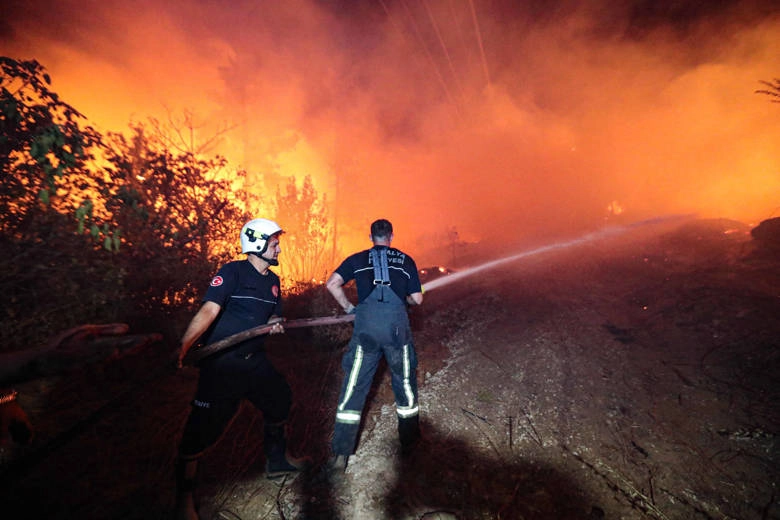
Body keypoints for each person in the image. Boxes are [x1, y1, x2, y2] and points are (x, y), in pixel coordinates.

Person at [174, 218, 303, 520]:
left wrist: (275, 324)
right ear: (257, 244)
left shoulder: (273, 281)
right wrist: (183, 346)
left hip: (254, 361)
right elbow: (209, 309)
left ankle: (277, 461)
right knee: (200, 432)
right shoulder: (232, 272)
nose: (279, 249)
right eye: (274, 244)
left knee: (280, 397)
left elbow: (273, 316)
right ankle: (183, 500)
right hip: (223, 366)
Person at [325, 219, 424, 473]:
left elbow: (332, 283)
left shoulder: (356, 259)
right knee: (404, 385)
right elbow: (417, 299)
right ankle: (411, 448)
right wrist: (406, 301)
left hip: (366, 330)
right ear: (391, 236)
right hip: (396, 332)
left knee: (354, 386)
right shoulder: (406, 260)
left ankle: (340, 455)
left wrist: (349, 308)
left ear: (371, 237)